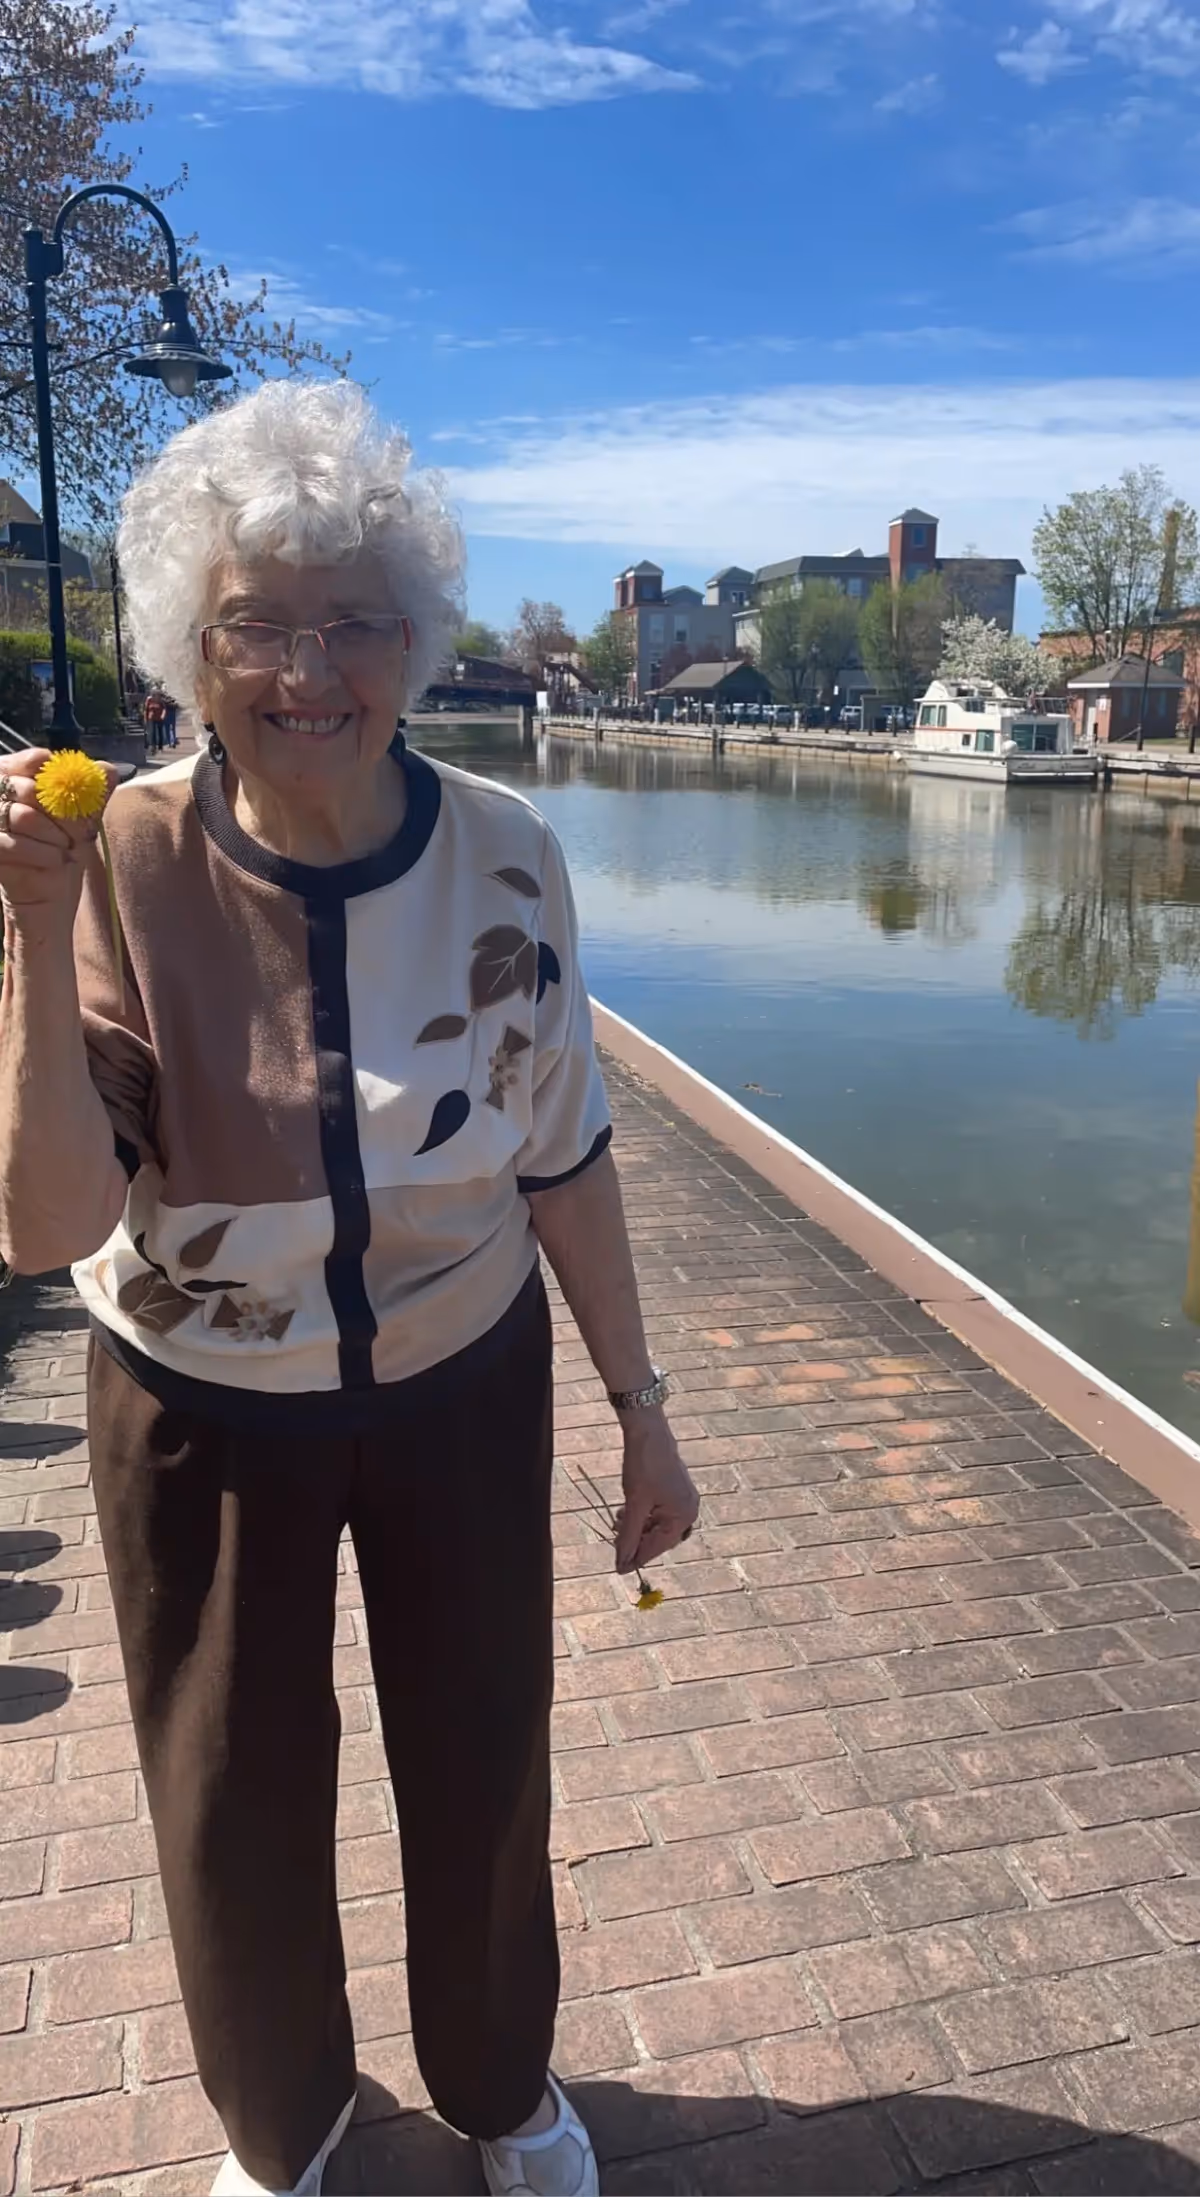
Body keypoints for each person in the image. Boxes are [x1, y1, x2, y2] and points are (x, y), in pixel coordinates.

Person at [0, 381, 699, 2197]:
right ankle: (282, 2122)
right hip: (202, 1401)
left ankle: (498, 2086)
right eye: (257, 626)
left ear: (415, 641)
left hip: (463, 1370)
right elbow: (41, 1219)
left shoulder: (508, 852)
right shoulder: (124, 858)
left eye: (354, 623)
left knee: (484, 1754)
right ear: (188, 648)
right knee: (232, 1794)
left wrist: (643, 1413)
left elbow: (565, 1148)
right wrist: (27, 928)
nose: (309, 671)